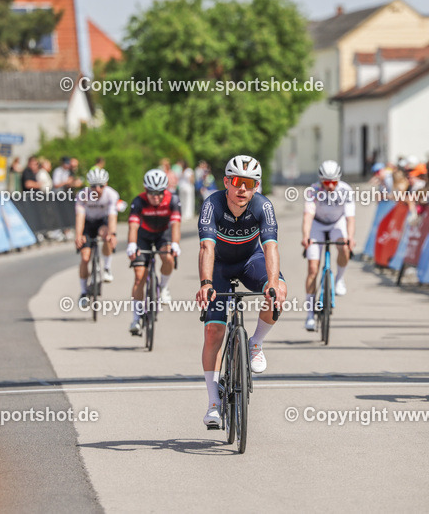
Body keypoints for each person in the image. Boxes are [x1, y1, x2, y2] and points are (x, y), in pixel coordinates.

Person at [195, 155, 287, 428]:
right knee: (214, 332)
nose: (242, 189)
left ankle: (255, 342)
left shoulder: (263, 206)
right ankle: (213, 403)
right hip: (220, 266)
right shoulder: (212, 204)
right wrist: (206, 284)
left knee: (279, 290)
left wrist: (272, 282)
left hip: (250, 261)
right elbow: (206, 248)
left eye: (249, 183)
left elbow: (270, 247)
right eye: (237, 182)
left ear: (256, 186)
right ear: (226, 182)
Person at [301, 160, 356, 331]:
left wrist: (351, 238)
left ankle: (339, 280)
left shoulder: (345, 190)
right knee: (312, 269)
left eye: (334, 182)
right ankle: (310, 314)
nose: (330, 186)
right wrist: (305, 237)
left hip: (336, 224)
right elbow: (308, 216)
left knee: (345, 247)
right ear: (320, 180)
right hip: (317, 225)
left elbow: (350, 218)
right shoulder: (313, 191)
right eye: (326, 182)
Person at [126, 169, 182, 335]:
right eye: (151, 193)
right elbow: (133, 226)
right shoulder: (139, 201)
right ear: (145, 190)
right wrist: (131, 244)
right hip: (143, 235)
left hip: (162, 235)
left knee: (169, 258)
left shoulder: (173, 200)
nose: (156, 197)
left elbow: (176, 225)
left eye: (159, 193)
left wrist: (176, 244)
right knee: (139, 276)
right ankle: (136, 318)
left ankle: (163, 287)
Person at [75, 168, 119, 308]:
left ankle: (106, 268)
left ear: (106, 184)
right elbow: (80, 217)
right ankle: (83, 292)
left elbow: (112, 216)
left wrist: (112, 234)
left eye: (101, 185)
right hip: (88, 223)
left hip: (102, 222)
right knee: (85, 257)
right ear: (89, 185)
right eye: (93, 186)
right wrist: (78, 236)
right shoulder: (83, 195)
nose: (97, 189)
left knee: (106, 235)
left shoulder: (111, 195)